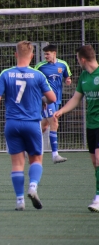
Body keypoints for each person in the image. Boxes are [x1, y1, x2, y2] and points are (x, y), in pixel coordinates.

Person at [0, 41, 56, 211]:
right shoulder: (38, 75)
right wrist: (42, 101)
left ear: (15, 54)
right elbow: (52, 98)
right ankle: (33, 187)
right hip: (32, 123)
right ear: (32, 56)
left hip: (12, 124)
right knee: (36, 159)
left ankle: (20, 200)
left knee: (17, 163)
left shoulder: (6, 74)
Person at [54, 45, 99, 212]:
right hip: (91, 125)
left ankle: (98, 198)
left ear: (82, 59)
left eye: (77, 59)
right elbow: (76, 98)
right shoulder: (84, 77)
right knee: (95, 163)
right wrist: (61, 111)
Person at [35, 44, 72, 164]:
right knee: (54, 121)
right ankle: (55, 155)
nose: (46, 56)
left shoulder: (63, 64)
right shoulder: (40, 66)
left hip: (57, 100)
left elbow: (67, 77)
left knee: (44, 126)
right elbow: (33, 81)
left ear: (54, 53)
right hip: (46, 99)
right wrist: (41, 98)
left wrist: (68, 80)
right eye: (45, 54)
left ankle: (29, 145)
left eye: (48, 54)